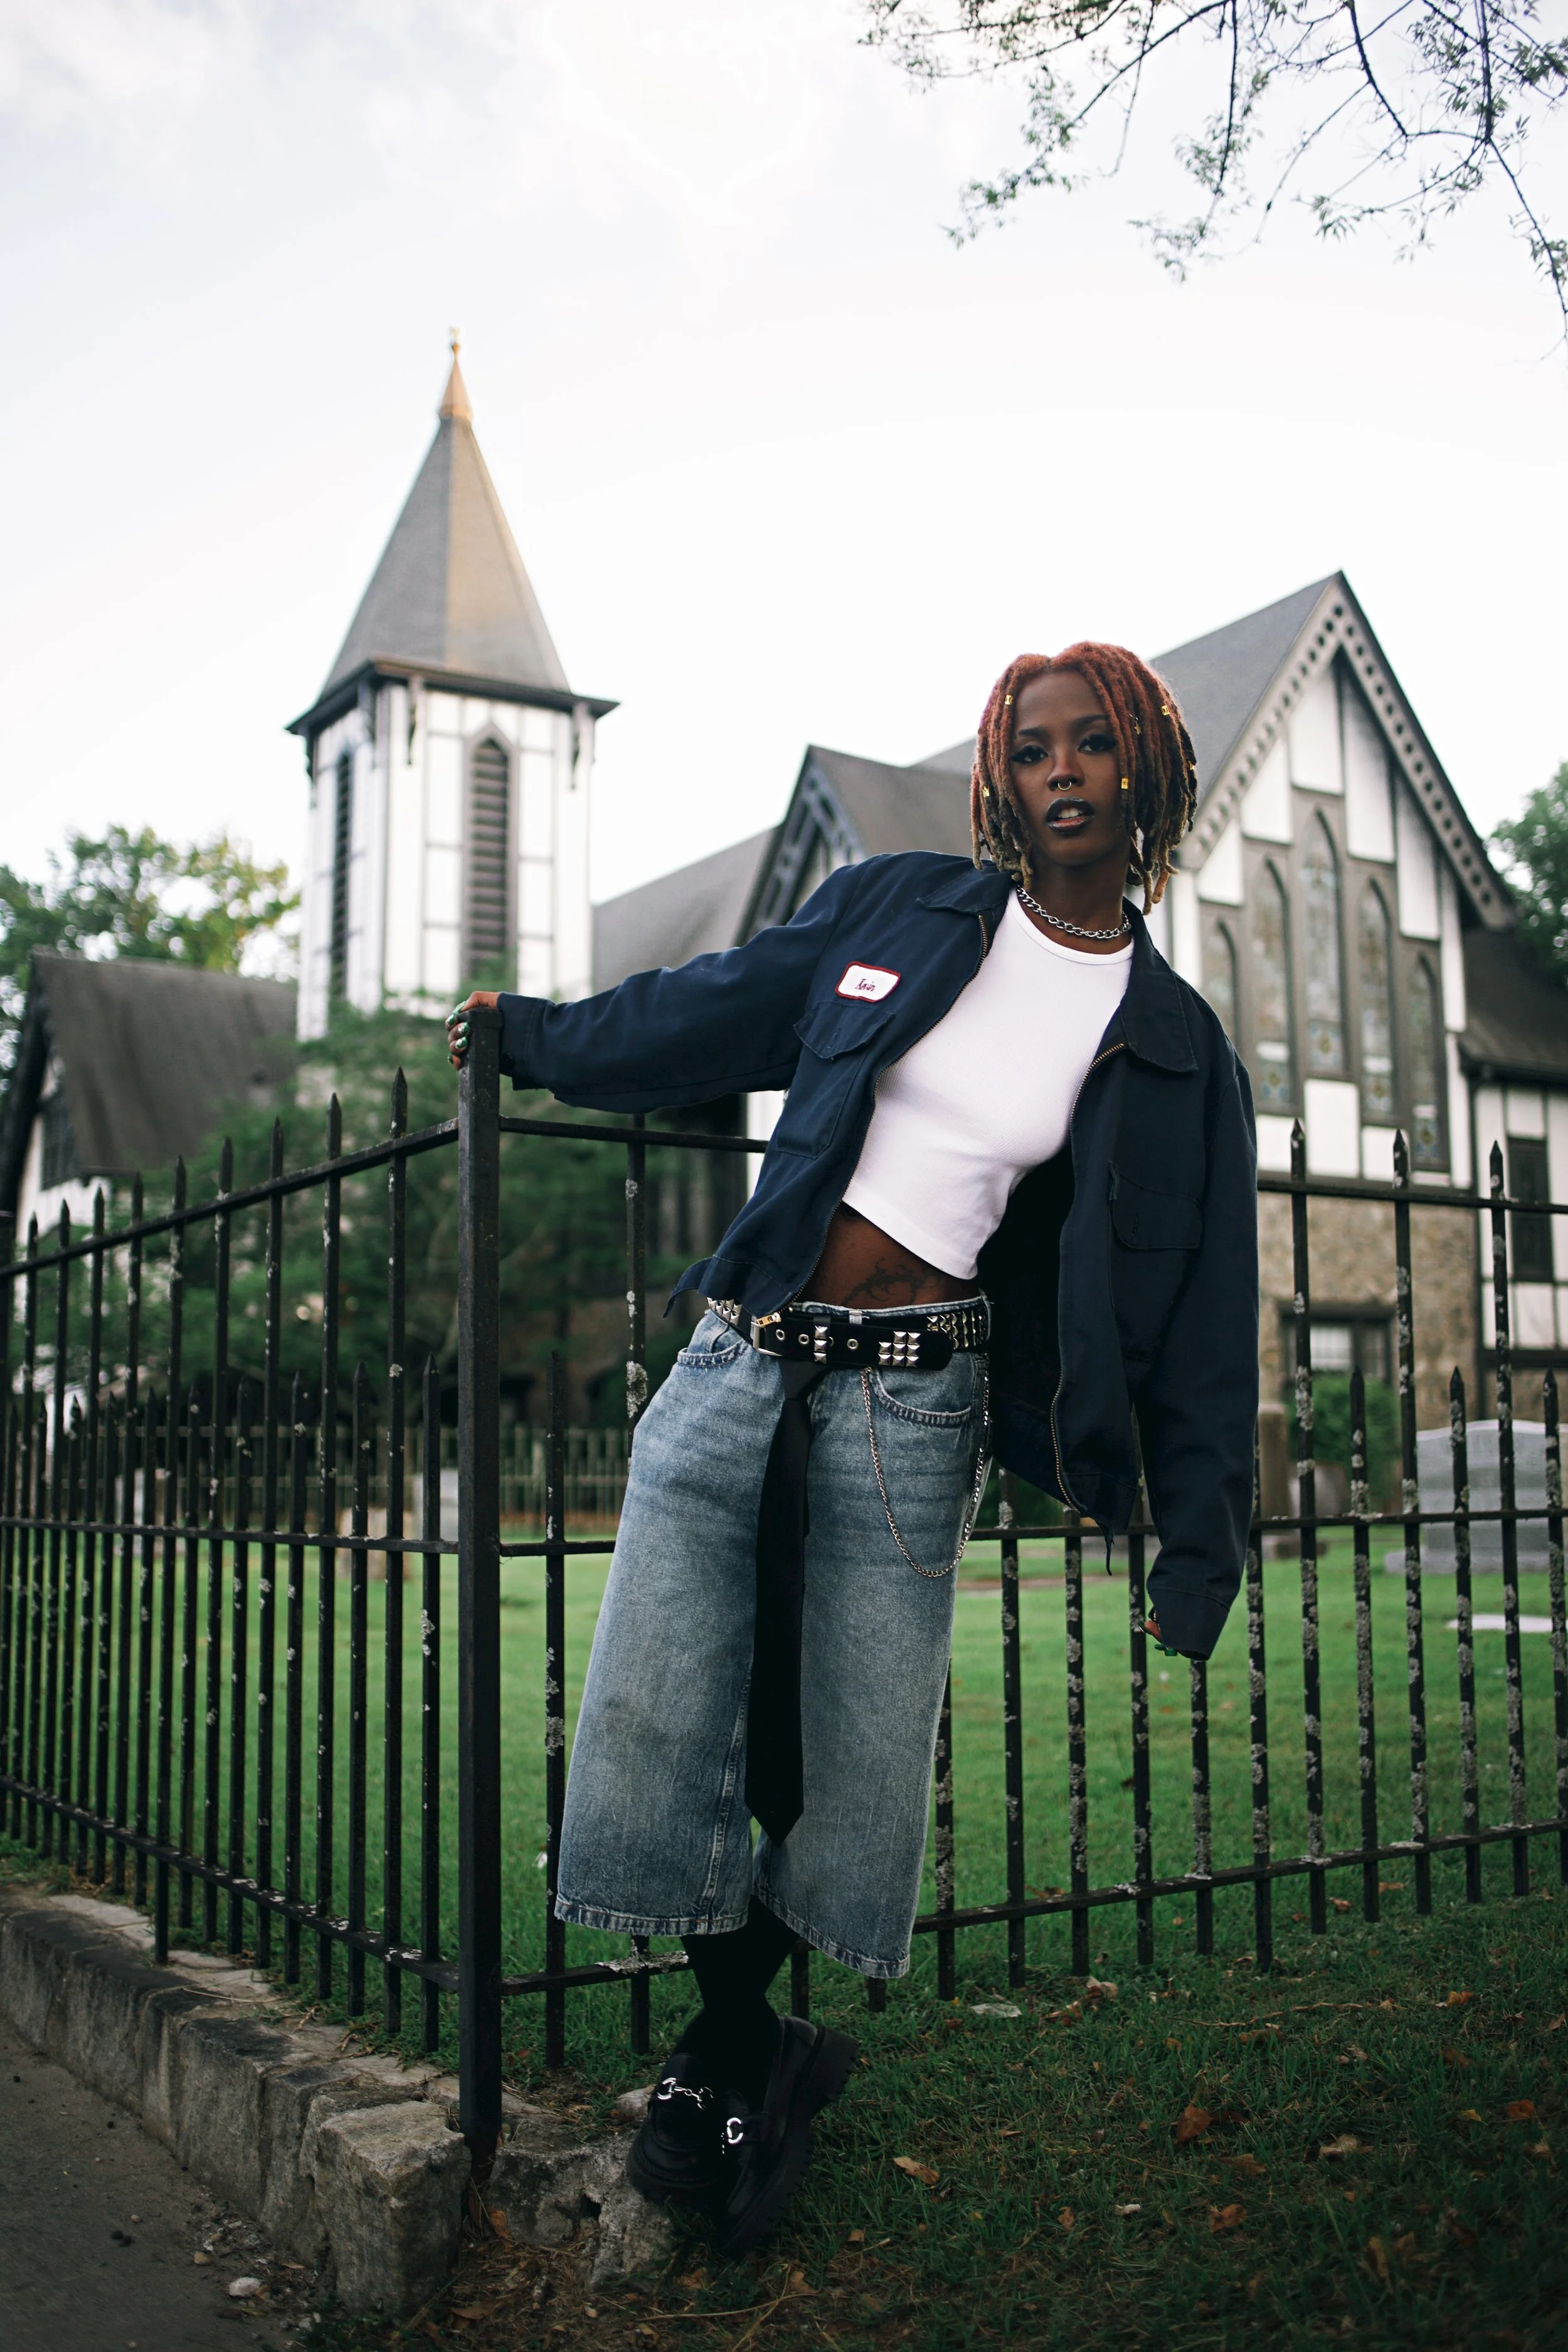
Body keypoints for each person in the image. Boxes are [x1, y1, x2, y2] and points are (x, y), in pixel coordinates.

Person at [447, 644, 1259, 2254]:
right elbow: (716, 1009)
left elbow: (1204, 1325)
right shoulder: (901, 909)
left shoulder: (1173, 1052)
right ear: (999, 779)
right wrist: (533, 1037)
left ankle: (739, 2049)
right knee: (664, 1712)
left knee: (842, 1760)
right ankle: (737, 2038)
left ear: (1146, 767)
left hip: (913, 1402)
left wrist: (1196, 1542)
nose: (1060, 774)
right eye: (1030, 751)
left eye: (1093, 745)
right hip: (742, 1356)